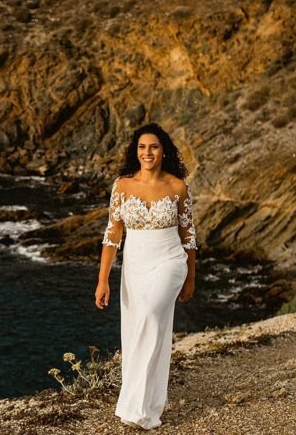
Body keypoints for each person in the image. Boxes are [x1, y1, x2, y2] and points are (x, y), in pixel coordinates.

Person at [95, 123, 197, 429]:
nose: (147, 152)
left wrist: (190, 278)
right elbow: (112, 235)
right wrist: (103, 280)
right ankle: (148, 404)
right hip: (135, 265)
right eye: (142, 147)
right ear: (135, 151)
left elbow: (189, 237)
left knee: (152, 317)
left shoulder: (178, 187)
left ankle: (134, 403)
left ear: (163, 150)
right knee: (140, 329)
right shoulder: (122, 186)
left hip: (170, 260)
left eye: (153, 147)